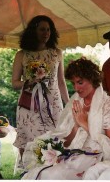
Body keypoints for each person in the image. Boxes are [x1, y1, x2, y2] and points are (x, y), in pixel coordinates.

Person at [21, 57, 110, 179]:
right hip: (73, 152)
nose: (76, 88)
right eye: (73, 83)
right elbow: (65, 141)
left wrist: (85, 124)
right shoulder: (75, 101)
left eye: (80, 82)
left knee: (54, 175)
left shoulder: (107, 103)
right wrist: (76, 127)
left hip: (97, 155)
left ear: (92, 79)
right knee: (43, 172)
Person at [12, 15, 70, 158]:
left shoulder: (57, 52)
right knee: (30, 146)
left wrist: (68, 104)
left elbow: (61, 81)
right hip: (30, 106)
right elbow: (14, 83)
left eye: (49, 30)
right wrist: (28, 82)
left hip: (53, 104)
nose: (46, 33)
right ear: (34, 31)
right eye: (42, 29)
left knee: (55, 143)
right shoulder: (22, 55)